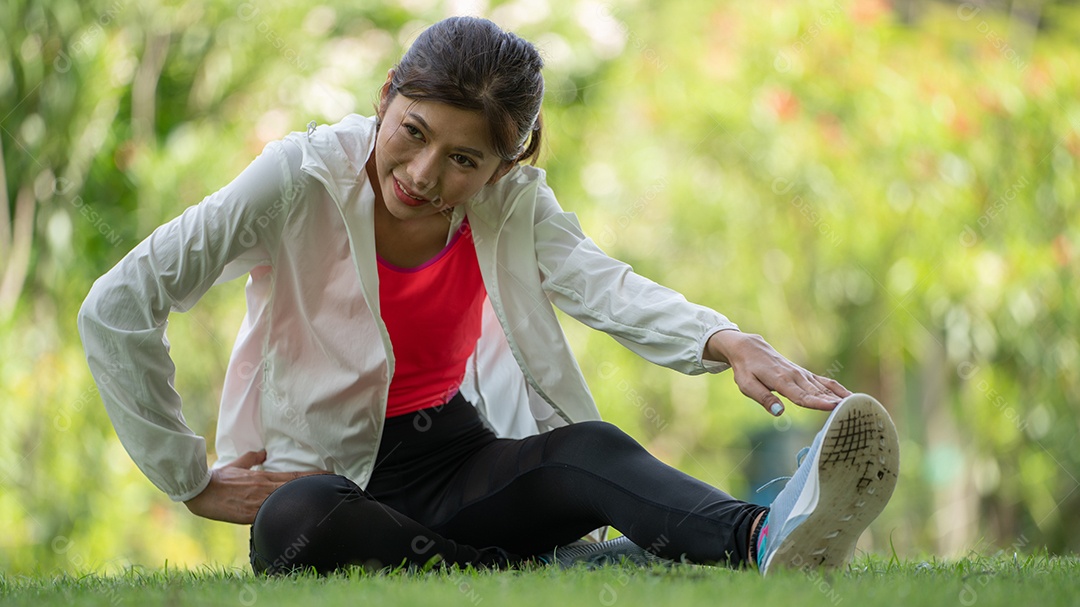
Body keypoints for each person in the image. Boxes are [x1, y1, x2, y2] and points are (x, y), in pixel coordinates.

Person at [77, 15, 898, 576]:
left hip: (460, 461)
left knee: (589, 448)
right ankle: (523, 567)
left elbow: (607, 287)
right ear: (387, 97)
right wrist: (189, 476)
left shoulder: (511, 208)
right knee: (294, 521)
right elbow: (118, 304)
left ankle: (764, 535)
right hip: (337, 489)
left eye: (465, 160)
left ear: (504, 165)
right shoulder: (297, 181)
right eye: (414, 132)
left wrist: (729, 344)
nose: (426, 175)